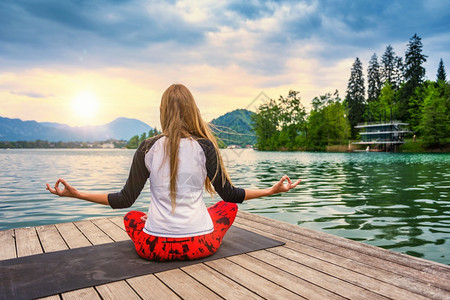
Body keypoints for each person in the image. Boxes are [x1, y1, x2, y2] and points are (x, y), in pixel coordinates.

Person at [46, 84, 301, 261]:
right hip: (201, 245)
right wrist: (272, 190)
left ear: (162, 112)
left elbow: (124, 200)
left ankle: (155, 223)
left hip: (154, 248)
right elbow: (230, 195)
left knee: (133, 217)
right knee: (227, 208)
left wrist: (77, 194)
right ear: (193, 111)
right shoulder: (206, 147)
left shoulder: (147, 148)